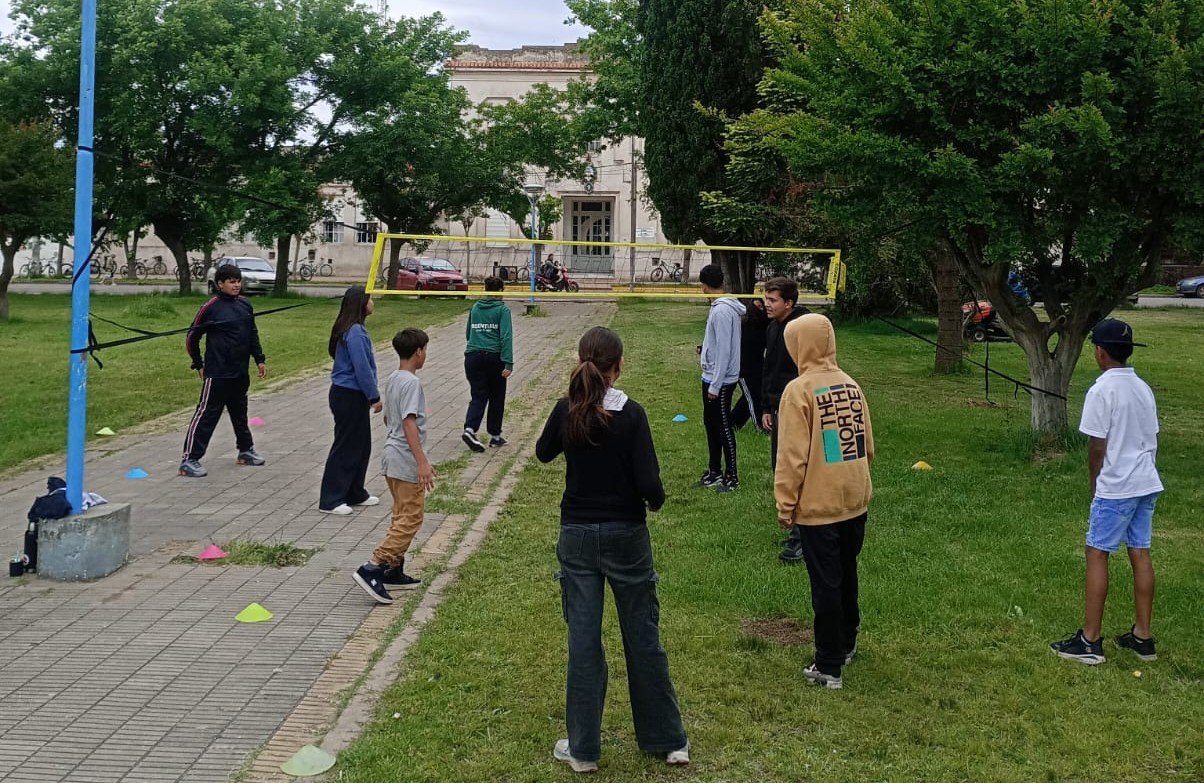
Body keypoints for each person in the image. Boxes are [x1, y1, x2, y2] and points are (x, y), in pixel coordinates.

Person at [535, 326, 690, 773]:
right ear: (619, 366)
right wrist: (655, 501)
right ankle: (668, 741)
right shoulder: (632, 414)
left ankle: (583, 749)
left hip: (577, 535)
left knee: (583, 641)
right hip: (627, 534)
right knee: (642, 634)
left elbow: (543, 452)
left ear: (580, 361)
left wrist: (567, 416)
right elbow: (649, 483)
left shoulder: (567, 409)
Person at [1051, 318, 1162, 665]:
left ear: (1099, 352)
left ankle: (1090, 641)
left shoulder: (1101, 390)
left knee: (1097, 552)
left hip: (1117, 487)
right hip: (1146, 481)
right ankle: (1142, 637)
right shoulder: (1142, 387)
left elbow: (1096, 446)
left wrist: (1095, 482)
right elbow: (1152, 437)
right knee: (1140, 552)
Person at [775, 314, 874, 690]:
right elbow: (863, 444)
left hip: (819, 509)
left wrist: (786, 502)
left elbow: (792, 456)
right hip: (855, 500)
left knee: (826, 584)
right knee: (847, 572)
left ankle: (829, 664)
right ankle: (847, 642)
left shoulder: (798, 391)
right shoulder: (850, 384)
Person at [352, 328, 433, 604]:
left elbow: (389, 419)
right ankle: (373, 566)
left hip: (391, 455)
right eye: (425, 350)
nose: (425, 355)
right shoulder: (412, 383)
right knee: (411, 518)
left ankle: (393, 569)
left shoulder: (394, 378)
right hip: (405, 459)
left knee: (401, 514)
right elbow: (409, 423)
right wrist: (422, 461)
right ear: (418, 352)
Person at [180, 263, 267, 477]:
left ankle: (245, 451)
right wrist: (198, 364)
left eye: (238, 281)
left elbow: (252, 333)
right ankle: (189, 459)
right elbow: (192, 337)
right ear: (220, 284)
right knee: (207, 414)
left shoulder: (245, 305)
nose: (236, 285)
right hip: (218, 372)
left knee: (240, 412)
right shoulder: (211, 307)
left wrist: (259, 359)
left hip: (240, 372)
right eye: (231, 282)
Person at [319, 286, 382, 515]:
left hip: (353, 394)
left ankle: (355, 492)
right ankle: (331, 499)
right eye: (370, 299)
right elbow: (361, 367)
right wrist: (374, 396)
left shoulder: (355, 328)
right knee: (346, 447)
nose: (373, 303)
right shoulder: (354, 332)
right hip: (348, 394)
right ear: (361, 303)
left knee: (361, 446)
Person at [760, 278, 811, 562]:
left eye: (773, 300)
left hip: (798, 409)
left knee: (797, 470)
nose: (767, 304)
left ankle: (802, 538)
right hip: (778, 406)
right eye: (766, 298)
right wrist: (767, 407)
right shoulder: (772, 328)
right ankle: (795, 526)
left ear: (789, 303)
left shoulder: (803, 328)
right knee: (781, 468)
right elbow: (769, 369)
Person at [695, 263, 744, 492]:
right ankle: (714, 471)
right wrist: (705, 350)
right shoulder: (718, 307)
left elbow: (725, 350)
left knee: (723, 427)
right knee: (711, 424)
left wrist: (715, 385)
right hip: (711, 376)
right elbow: (718, 344)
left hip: (721, 381)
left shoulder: (723, 310)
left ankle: (732, 476)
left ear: (705, 286)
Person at [461, 277, 514, 452]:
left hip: (472, 357)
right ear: (500, 291)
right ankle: (495, 436)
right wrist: (508, 362)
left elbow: (468, 334)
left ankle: (470, 429)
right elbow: (506, 337)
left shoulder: (475, 307)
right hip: (493, 357)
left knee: (478, 395)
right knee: (497, 397)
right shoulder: (502, 310)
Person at [730, 297, 768, 432]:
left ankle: (733, 423)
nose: (759, 309)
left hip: (759, 367)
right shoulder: (743, 326)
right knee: (754, 397)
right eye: (756, 306)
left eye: (761, 307)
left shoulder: (765, 325)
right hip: (744, 369)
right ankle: (760, 426)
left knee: (751, 396)